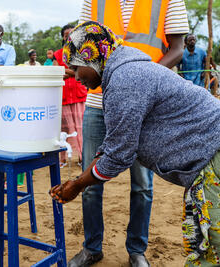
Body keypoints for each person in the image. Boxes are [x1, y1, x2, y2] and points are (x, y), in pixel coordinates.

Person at [50, 21, 220, 267]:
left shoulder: (126, 79)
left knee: (214, 246)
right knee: (204, 246)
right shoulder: (122, 72)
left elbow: (119, 156)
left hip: (212, 159)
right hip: (205, 162)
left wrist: (77, 185)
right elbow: (115, 142)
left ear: (93, 57)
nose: (76, 77)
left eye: (77, 68)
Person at [73, 1, 189, 266]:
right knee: (89, 181)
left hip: (143, 106)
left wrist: (140, 84)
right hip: (97, 103)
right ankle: (92, 247)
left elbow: (178, 48)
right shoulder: (93, 1)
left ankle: (137, 250)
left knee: (143, 185)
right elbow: (81, 46)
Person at [54, 24, 87, 168]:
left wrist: (67, 71)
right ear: (63, 37)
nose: (69, 37)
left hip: (79, 95)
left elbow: (85, 72)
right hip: (64, 96)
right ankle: (62, 159)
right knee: (63, 129)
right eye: (66, 35)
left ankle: (82, 157)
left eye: (72, 34)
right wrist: (74, 72)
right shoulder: (58, 54)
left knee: (82, 128)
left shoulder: (83, 52)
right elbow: (56, 73)